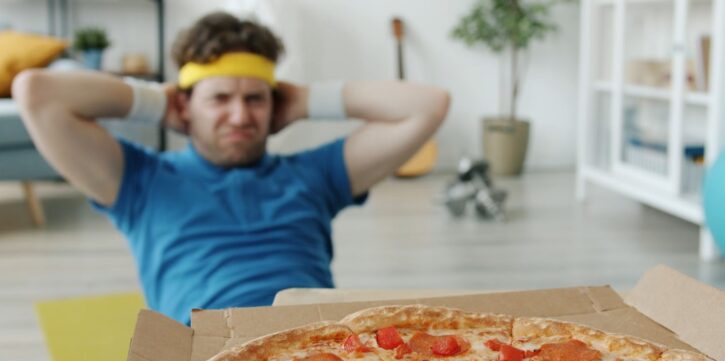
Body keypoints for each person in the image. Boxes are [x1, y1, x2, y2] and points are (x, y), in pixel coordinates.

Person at [12, 12, 450, 325]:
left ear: (275, 105)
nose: (240, 116)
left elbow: (428, 106)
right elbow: (36, 92)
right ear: (184, 105)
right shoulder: (139, 180)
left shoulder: (315, 174)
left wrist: (304, 101)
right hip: (200, 353)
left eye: (255, 99)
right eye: (220, 98)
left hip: (311, 343)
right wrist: (157, 104)